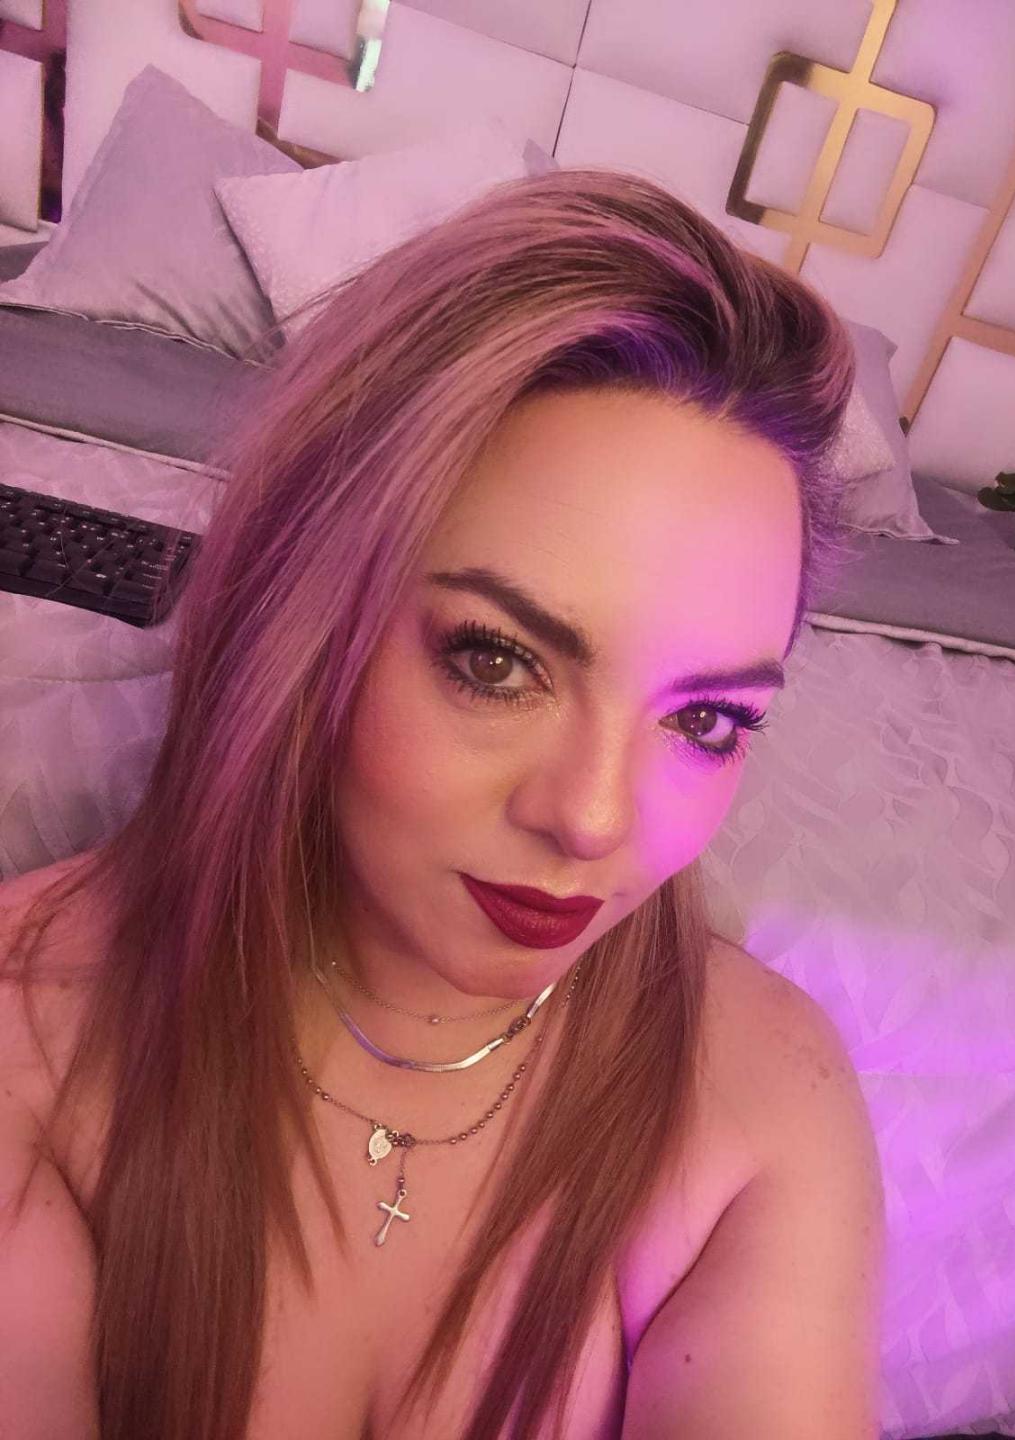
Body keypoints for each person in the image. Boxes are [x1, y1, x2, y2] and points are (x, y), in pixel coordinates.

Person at [0, 167, 886, 1439]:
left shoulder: (765, 1097)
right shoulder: (32, 1041)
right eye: (497, 660)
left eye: (707, 721)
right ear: (305, 608)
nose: (593, 820)